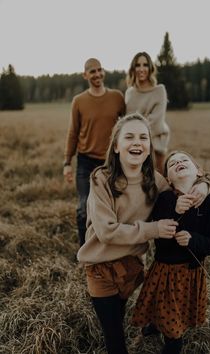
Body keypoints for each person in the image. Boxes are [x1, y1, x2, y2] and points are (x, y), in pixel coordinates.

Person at [77, 115, 210, 354]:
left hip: (131, 267)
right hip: (100, 267)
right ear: (116, 146)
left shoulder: (155, 181)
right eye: (129, 137)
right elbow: (106, 231)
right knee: (115, 339)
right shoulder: (101, 179)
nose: (136, 142)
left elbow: (183, 181)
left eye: (143, 137)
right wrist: (154, 229)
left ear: (149, 147)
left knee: (118, 317)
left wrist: (203, 183)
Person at [132, 150, 210, 354]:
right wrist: (176, 211)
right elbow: (158, 237)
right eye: (172, 163)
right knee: (160, 303)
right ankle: (156, 324)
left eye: (184, 160)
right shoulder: (164, 200)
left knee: (176, 315)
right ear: (169, 179)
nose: (179, 162)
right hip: (165, 270)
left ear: (198, 171)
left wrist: (194, 240)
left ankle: (173, 344)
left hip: (191, 273)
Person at [63, 58, 125, 246]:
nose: (97, 74)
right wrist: (67, 163)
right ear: (85, 75)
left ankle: (111, 250)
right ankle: (85, 252)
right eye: (92, 71)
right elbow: (73, 132)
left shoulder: (117, 97)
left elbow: (127, 127)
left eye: (100, 70)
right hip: (85, 162)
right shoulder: (79, 101)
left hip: (112, 162)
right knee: (84, 208)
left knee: (114, 209)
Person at [125, 51, 170, 174]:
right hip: (131, 148)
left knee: (154, 186)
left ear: (150, 68)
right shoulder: (130, 93)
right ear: (133, 69)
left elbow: (155, 123)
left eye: (145, 65)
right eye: (137, 65)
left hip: (154, 146)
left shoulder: (159, 91)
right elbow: (126, 121)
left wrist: (134, 134)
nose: (141, 69)